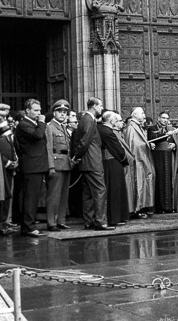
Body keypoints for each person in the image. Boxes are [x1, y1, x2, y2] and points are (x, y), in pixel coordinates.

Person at [70, 97, 114, 230]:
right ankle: (100, 221)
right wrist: (76, 156)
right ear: (94, 106)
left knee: (88, 192)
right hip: (92, 161)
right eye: (100, 105)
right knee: (100, 190)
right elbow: (84, 141)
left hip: (87, 162)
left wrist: (78, 157)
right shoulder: (89, 119)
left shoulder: (86, 119)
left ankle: (89, 221)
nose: (101, 108)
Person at [15, 98, 49, 237]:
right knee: (30, 197)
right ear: (27, 111)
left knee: (34, 197)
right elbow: (37, 135)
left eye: (40, 110)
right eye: (36, 110)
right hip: (31, 166)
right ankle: (28, 226)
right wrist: (41, 121)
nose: (39, 113)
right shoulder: (24, 124)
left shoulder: (33, 123)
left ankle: (29, 225)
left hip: (37, 165)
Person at [97, 111, 129, 227]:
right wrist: (125, 161)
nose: (117, 122)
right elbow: (118, 150)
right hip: (112, 163)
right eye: (115, 120)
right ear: (111, 121)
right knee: (115, 190)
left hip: (105, 162)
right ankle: (115, 218)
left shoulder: (99, 129)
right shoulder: (108, 132)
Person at [44, 99, 71, 231]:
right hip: (56, 162)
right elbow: (48, 147)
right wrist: (51, 166)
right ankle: (51, 222)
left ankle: (61, 219)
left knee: (63, 195)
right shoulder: (49, 127)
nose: (63, 114)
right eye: (60, 111)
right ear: (54, 113)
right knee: (54, 195)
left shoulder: (63, 127)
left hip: (66, 163)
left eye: (65, 112)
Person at [123, 106, 154, 219]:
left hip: (142, 160)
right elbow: (134, 145)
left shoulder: (136, 126)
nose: (144, 115)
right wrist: (147, 144)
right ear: (135, 115)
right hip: (138, 161)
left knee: (144, 183)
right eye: (142, 113)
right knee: (138, 184)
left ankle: (143, 206)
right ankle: (138, 208)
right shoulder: (132, 127)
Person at [149, 110, 176, 213]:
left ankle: (170, 207)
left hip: (169, 157)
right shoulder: (152, 128)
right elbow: (153, 139)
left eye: (167, 118)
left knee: (170, 180)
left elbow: (175, 140)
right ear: (158, 118)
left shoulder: (171, 128)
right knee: (160, 180)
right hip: (158, 157)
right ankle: (160, 207)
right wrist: (166, 134)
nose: (165, 120)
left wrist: (174, 145)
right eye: (163, 118)